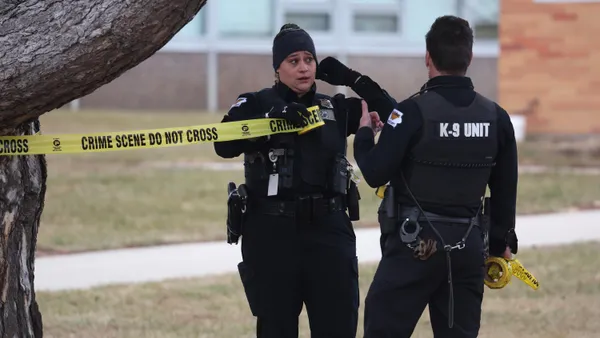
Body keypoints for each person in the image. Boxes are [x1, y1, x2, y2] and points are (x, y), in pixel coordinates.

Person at [317, 15, 519, 338]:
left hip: (415, 248)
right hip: (467, 251)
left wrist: (366, 136)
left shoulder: (413, 113)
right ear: (469, 57)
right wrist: (500, 243)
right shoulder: (497, 118)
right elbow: (505, 192)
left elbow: (374, 170)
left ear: (428, 57)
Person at [213, 23, 391, 338]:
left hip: (329, 234)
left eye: (309, 59)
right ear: (277, 68)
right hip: (272, 235)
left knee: (338, 327)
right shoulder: (255, 103)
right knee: (276, 328)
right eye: (293, 60)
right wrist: (271, 123)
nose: (303, 68)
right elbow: (222, 144)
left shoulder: (334, 107)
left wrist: (351, 78)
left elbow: (392, 113)